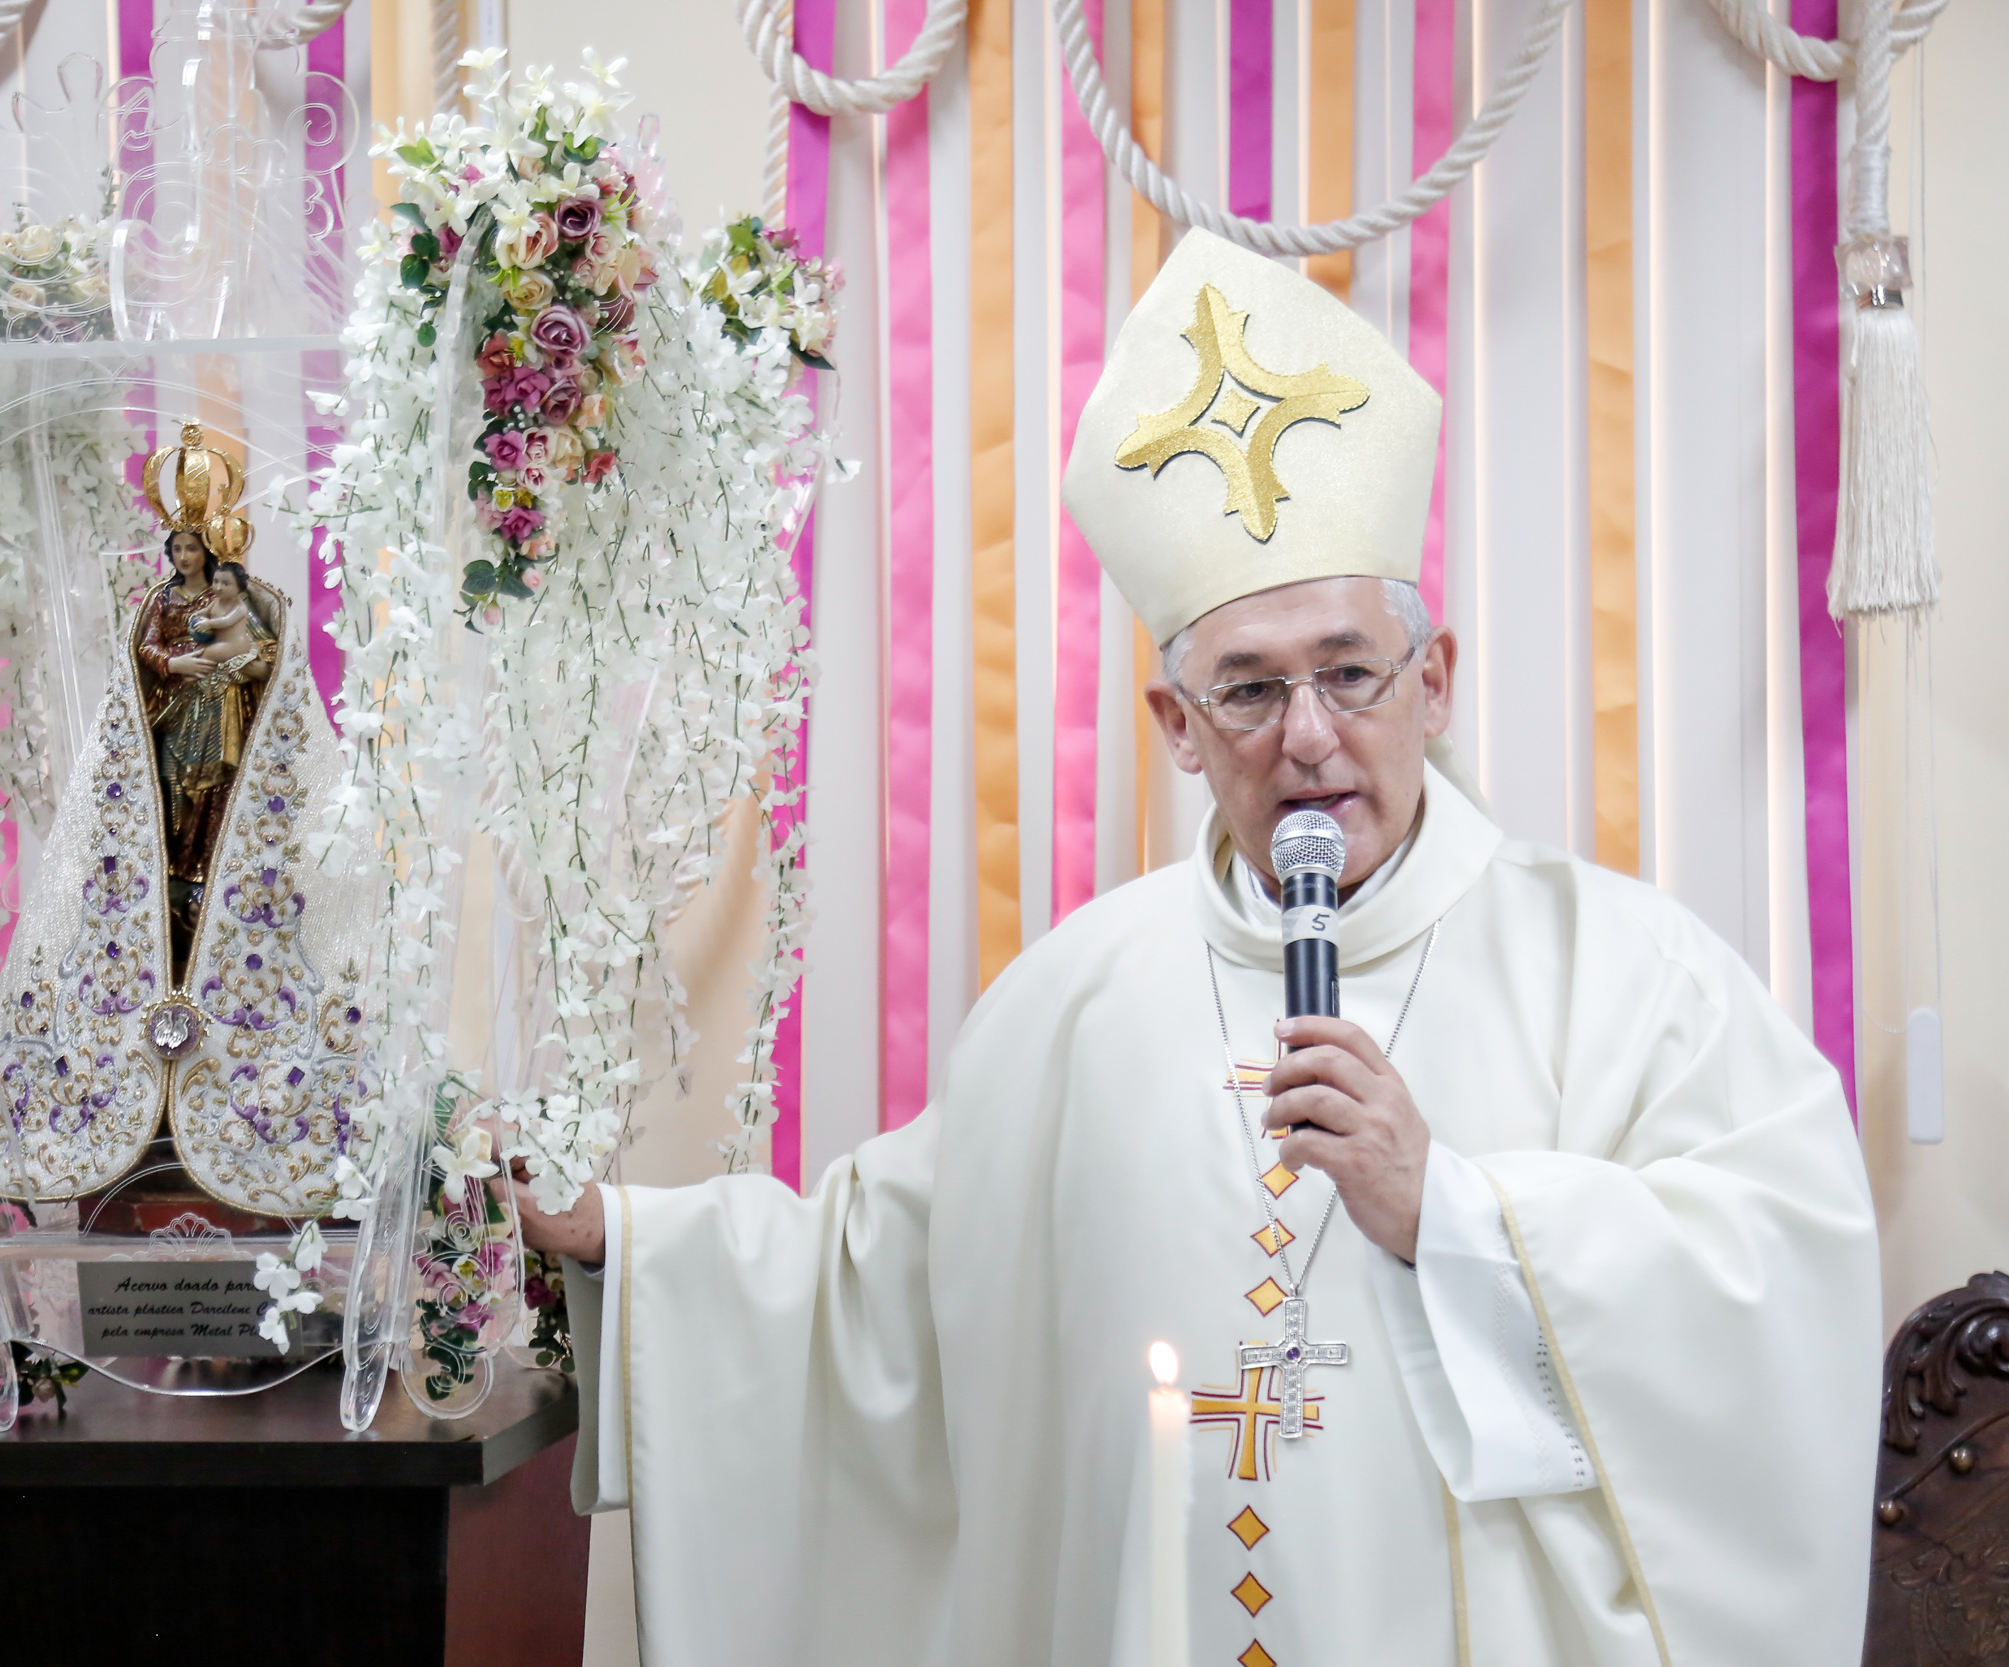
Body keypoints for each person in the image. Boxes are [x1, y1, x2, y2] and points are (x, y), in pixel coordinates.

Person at [514, 230, 1883, 1667]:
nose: (1310, 736)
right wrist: (629, 1242)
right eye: (1248, 689)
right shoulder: (1072, 1000)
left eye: (1350, 672)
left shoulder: (1628, 976)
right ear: (1177, 725)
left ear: (1433, 682)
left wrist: (1455, 1211)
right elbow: (885, 1280)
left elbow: (1773, 1287)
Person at [134, 531, 276, 973]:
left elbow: (261, 647)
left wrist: (241, 664)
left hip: (219, 708)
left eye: (192, 548)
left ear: (207, 553)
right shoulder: (164, 599)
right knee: (172, 784)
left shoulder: (226, 594)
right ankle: (176, 869)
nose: (184, 557)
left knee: (217, 787)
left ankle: (207, 868)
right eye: (177, 549)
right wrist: (174, 663)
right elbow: (146, 646)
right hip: (175, 706)